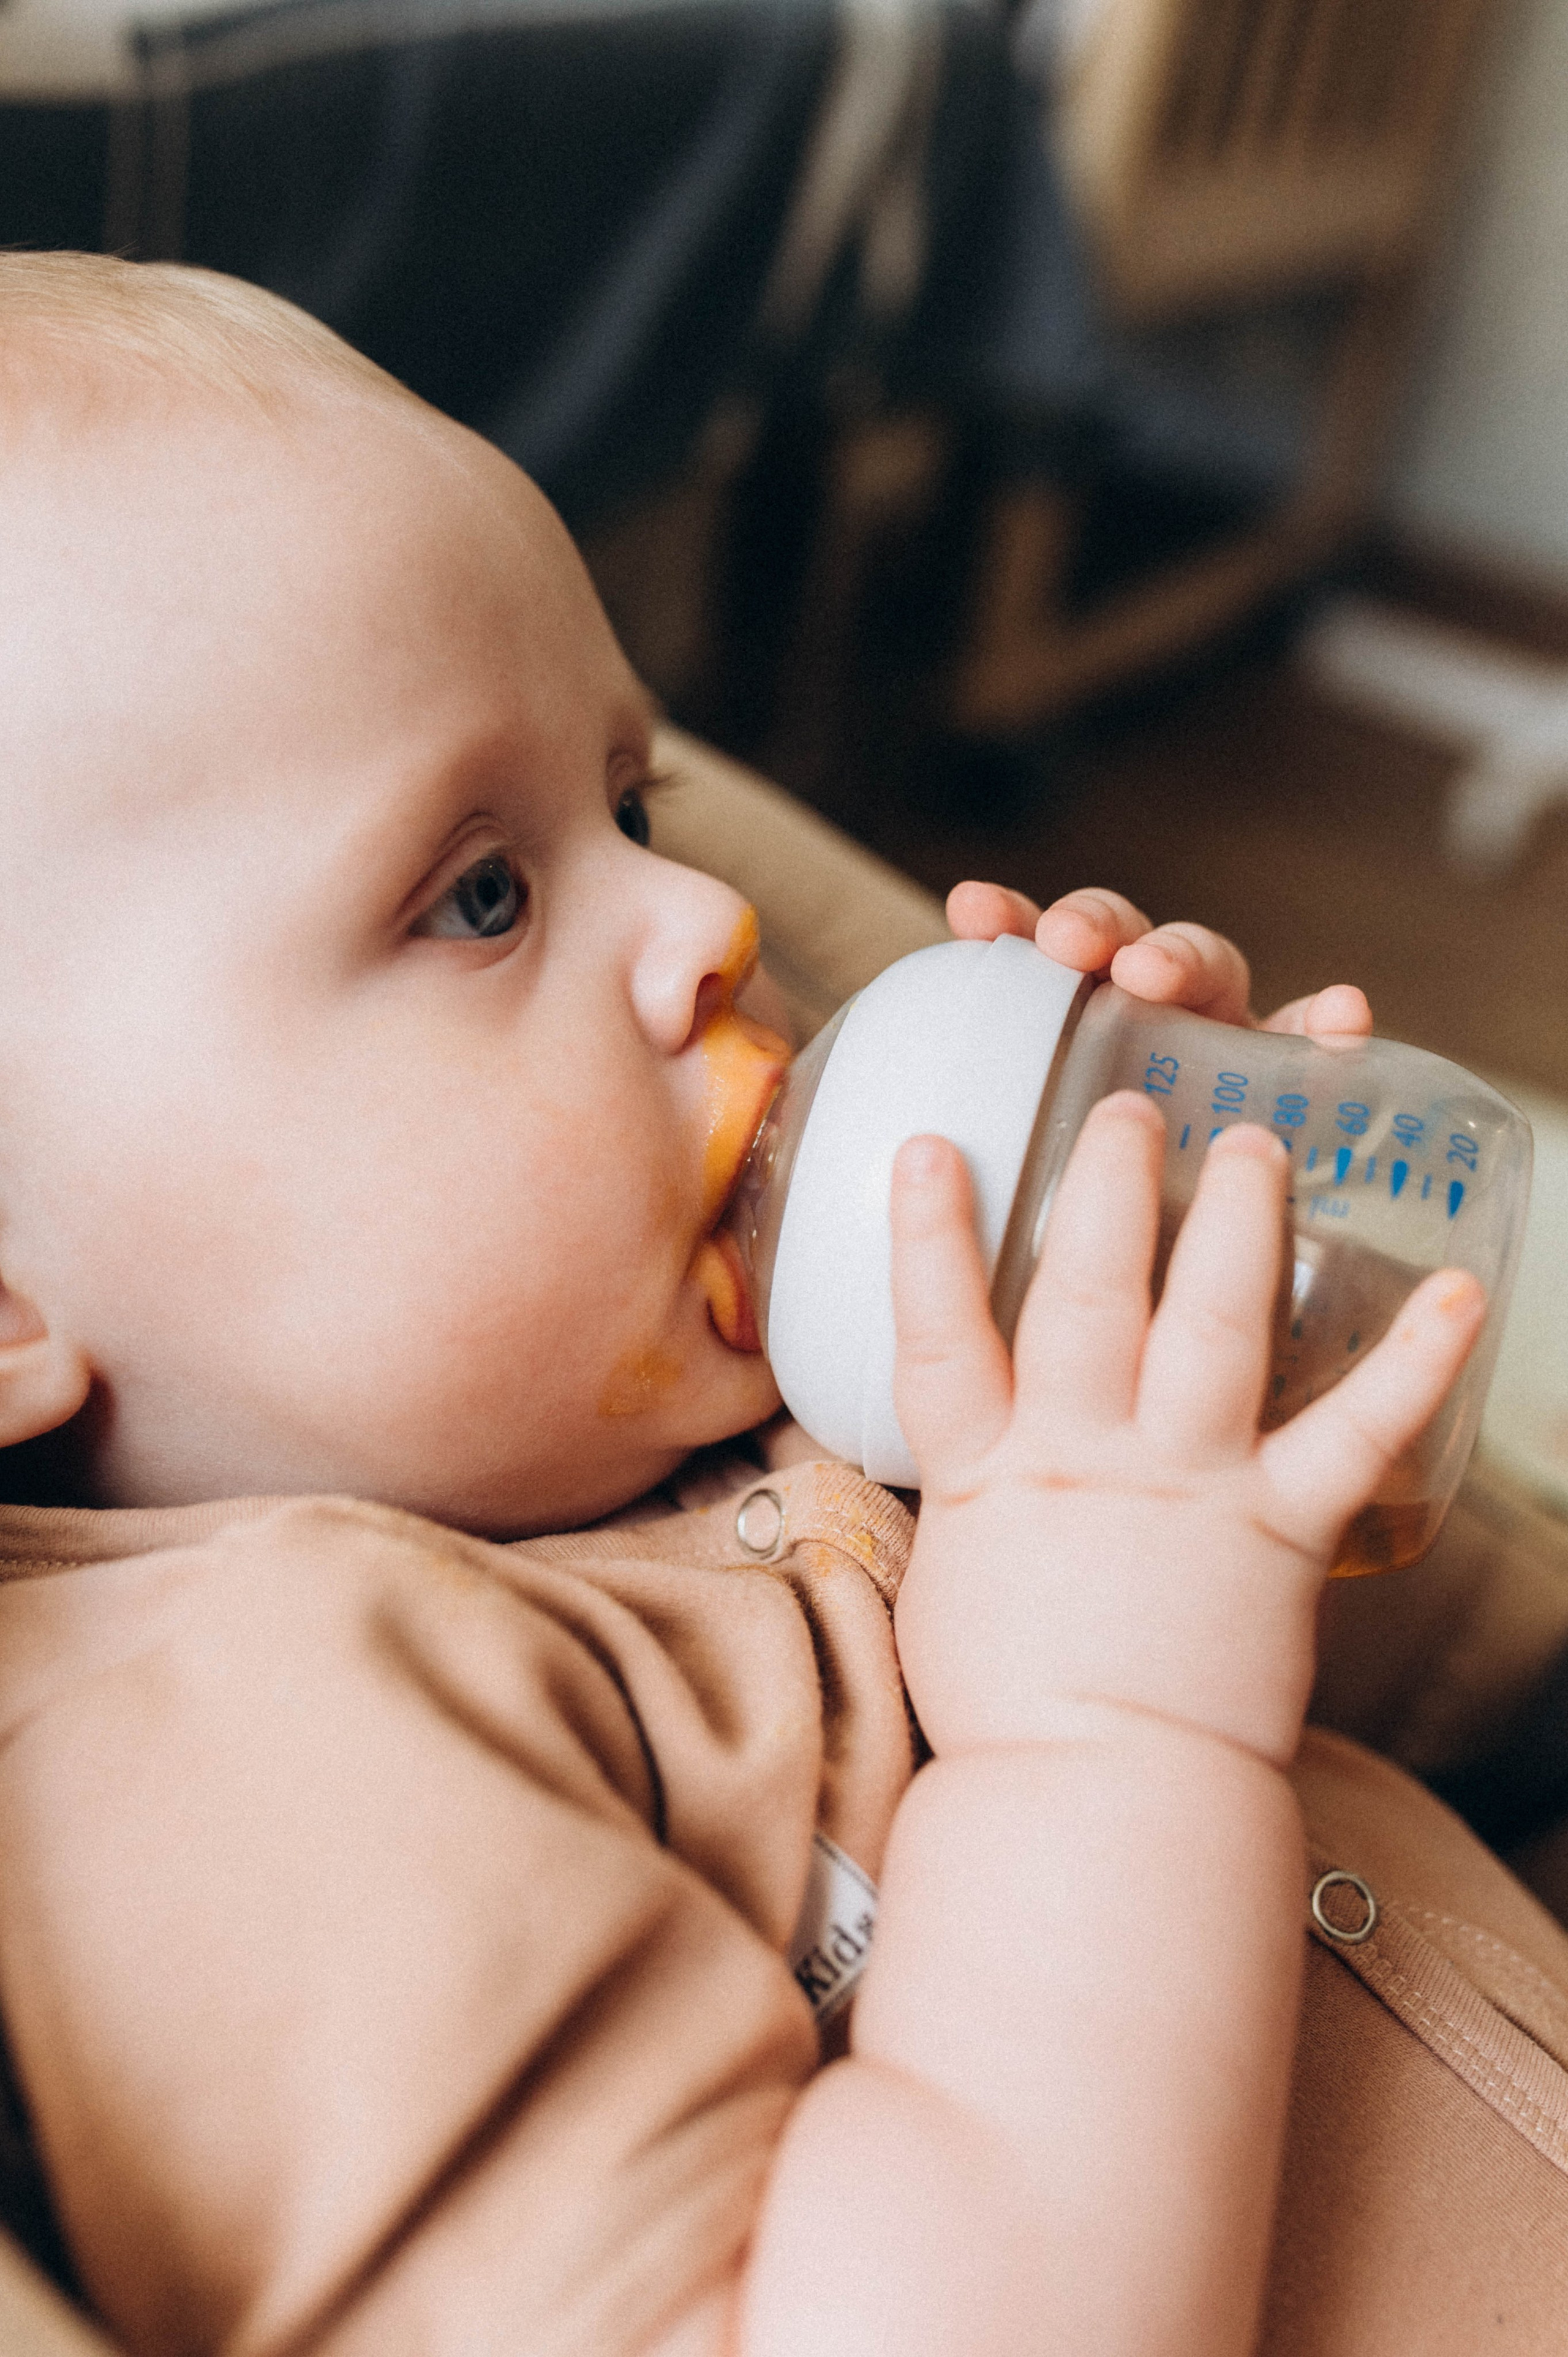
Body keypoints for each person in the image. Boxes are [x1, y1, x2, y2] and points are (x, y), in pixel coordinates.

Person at [0, 249, 1531, 2357]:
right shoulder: (243, 1769)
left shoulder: (690, 1399)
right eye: (480, 892)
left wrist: (1194, 1322)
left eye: (629, 800)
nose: (711, 911)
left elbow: (1414, 1692)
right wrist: (1111, 1718)